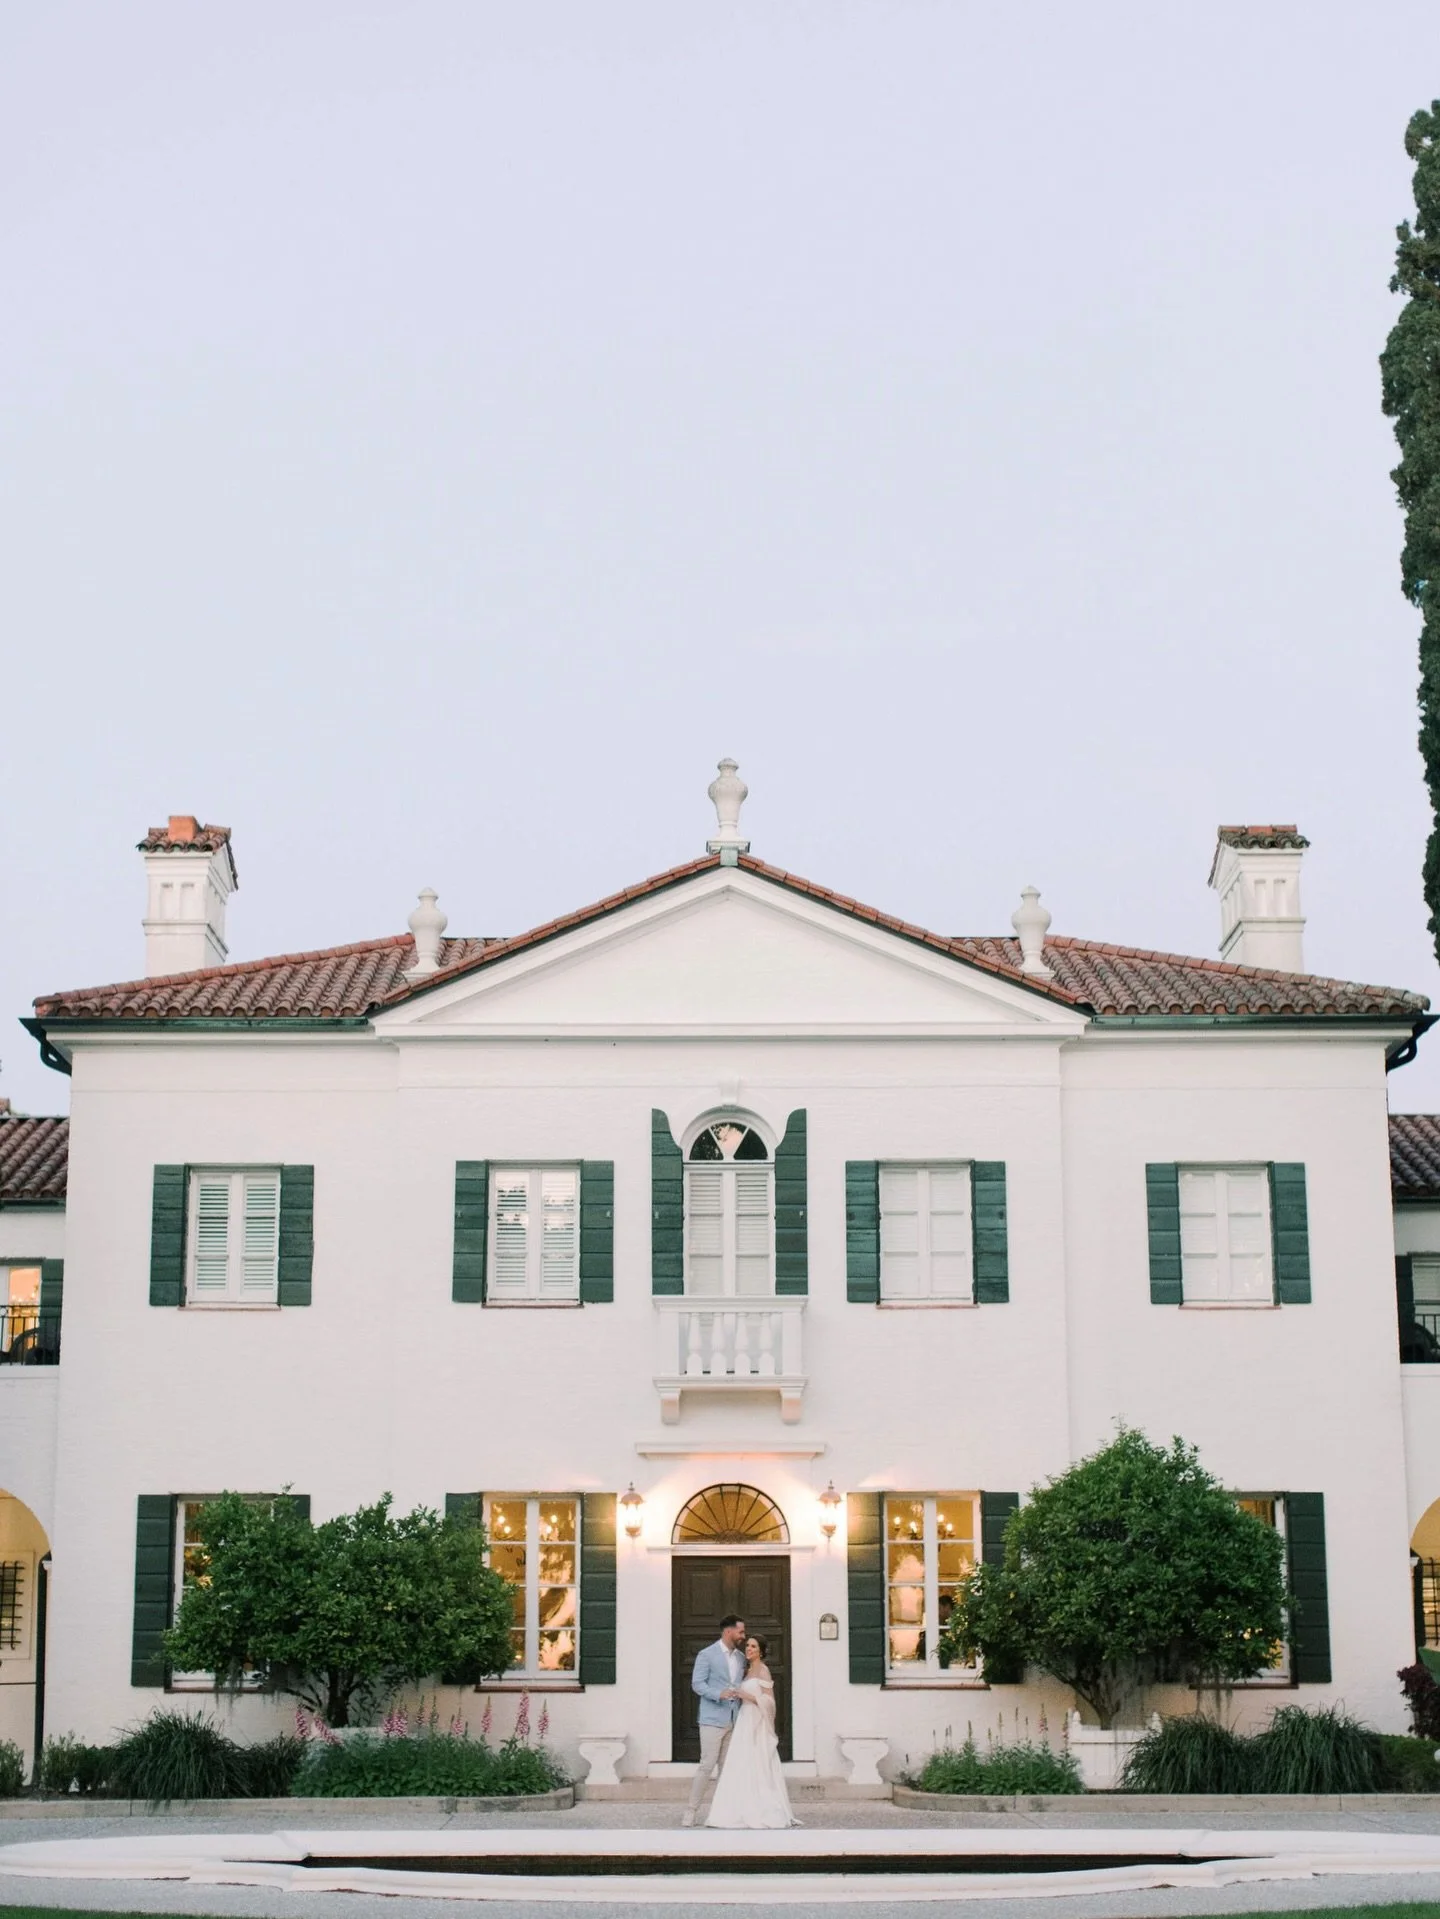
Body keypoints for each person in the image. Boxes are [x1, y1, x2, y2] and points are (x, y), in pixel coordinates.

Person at [705, 1632, 797, 1829]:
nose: (749, 1649)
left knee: (758, 1761)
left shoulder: (763, 1670)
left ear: (761, 1651)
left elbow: (770, 1701)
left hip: (757, 1720)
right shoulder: (746, 1671)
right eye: (747, 1645)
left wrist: (747, 1696)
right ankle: (738, 1808)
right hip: (744, 1719)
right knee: (741, 1762)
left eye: (753, 1646)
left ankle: (763, 1808)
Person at [682, 1613, 747, 1827]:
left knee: (726, 1769)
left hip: (733, 1719)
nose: (743, 1636)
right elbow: (697, 1684)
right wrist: (718, 1694)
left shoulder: (740, 1658)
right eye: (740, 1632)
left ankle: (720, 1813)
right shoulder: (706, 1655)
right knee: (707, 1765)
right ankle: (691, 1811)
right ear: (729, 1631)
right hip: (711, 1719)